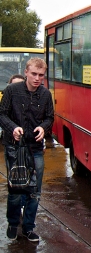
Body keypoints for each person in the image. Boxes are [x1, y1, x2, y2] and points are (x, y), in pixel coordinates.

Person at [0, 58, 54, 242]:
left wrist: (43, 128)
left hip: (35, 148)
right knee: (16, 188)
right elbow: (2, 114)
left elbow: (49, 117)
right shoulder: (12, 91)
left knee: (34, 191)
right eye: (34, 74)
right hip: (14, 148)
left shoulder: (46, 94)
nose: (37, 78)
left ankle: (29, 227)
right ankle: (14, 223)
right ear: (26, 72)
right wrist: (12, 128)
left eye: (41, 75)